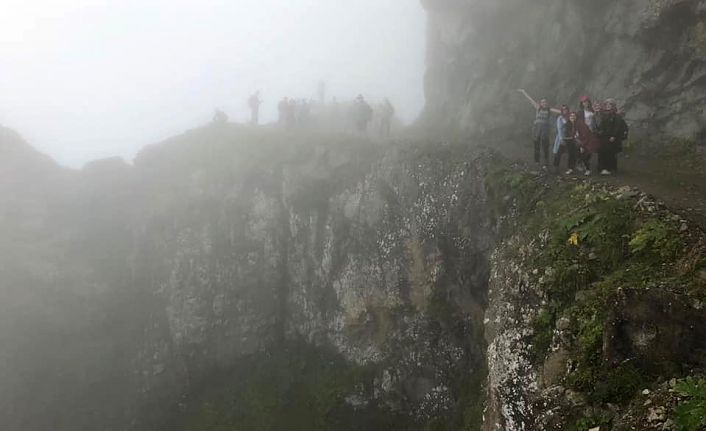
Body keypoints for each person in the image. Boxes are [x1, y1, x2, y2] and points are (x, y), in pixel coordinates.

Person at [518, 89, 563, 167]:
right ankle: (537, 162)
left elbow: (560, 112)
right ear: (540, 103)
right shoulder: (538, 108)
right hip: (537, 129)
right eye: (542, 102)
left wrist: (571, 114)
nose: (544, 103)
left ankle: (546, 161)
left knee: (545, 145)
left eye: (545, 102)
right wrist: (524, 92)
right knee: (536, 145)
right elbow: (530, 100)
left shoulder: (549, 109)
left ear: (547, 103)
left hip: (545, 129)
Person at [597, 99, 628, 175]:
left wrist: (613, 135)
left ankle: (609, 168)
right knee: (602, 152)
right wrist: (600, 131)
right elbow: (601, 125)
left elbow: (617, 127)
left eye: (610, 104)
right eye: (607, 104)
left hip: (612, 137)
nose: (608, 106)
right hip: (604, 136)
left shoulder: (616, 116)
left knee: (610, 153)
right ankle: (602, 168)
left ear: (613, 106)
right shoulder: (603, 114)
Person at [576, 96, 600, 175]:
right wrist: (577, 132)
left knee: (590, 150)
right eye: (584, 102)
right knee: (584, 150)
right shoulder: (580, 112)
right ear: (582, 104)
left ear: (589, 102)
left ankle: (584, 164)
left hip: (592, 133)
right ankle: (585, 166)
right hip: (583, 133)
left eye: (586, 102)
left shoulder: (592, 111)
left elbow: (596, 119)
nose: (585, 103)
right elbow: (577, 123)